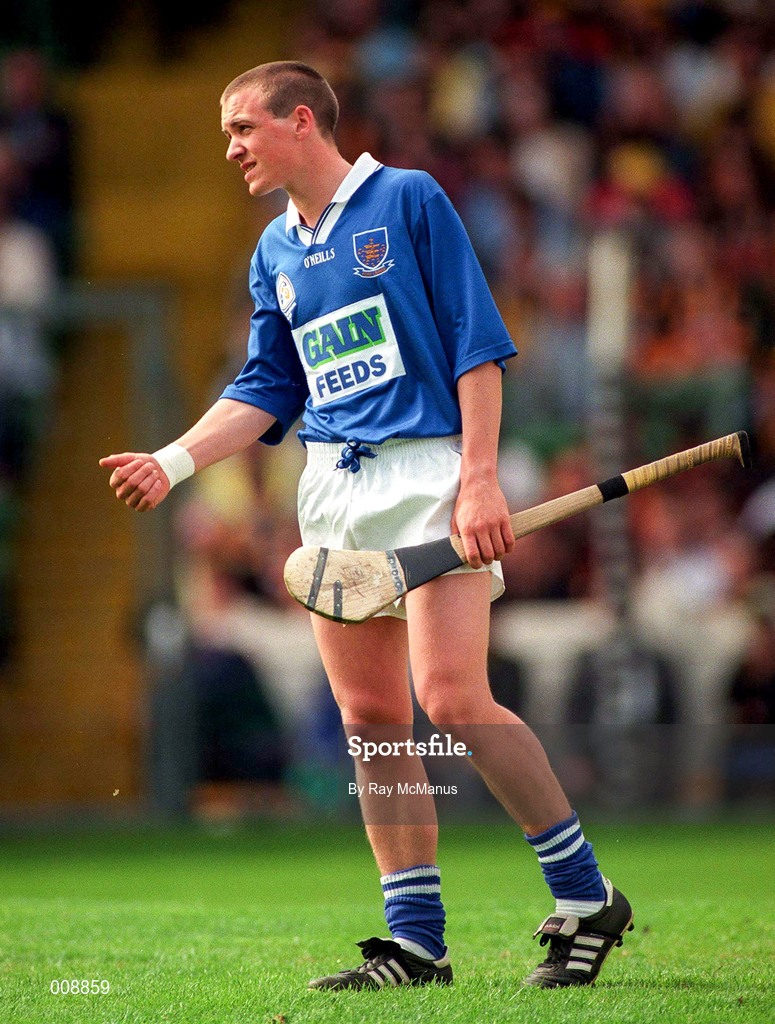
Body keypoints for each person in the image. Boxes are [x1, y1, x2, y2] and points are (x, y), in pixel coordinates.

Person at [100, 61, 633, 990]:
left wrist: (476, 481)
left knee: (453, 696)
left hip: (429, 474)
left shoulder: (409, 199)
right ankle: (416, 941)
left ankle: (586, 896)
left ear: (299, 121)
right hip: (331, 491)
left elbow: (477, 344)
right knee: (373, 721)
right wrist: (174, 460)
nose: (229, 149)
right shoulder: (274, 249)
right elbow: (267, 387)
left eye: (241, 129)